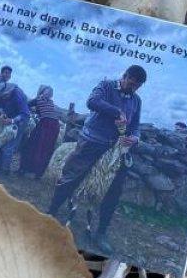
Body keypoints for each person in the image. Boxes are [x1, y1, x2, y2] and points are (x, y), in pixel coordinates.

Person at [48, 65, 147, 255]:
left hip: (115, 151)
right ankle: (50, 213)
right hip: (92, 141)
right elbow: (92, 102)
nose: (133, 89)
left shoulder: (136, 100)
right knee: (71, 177)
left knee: (114, 190)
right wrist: (117, 112)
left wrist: (135, 138)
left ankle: (101, 233)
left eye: (137, 87)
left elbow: (135, 127)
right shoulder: (106, 86)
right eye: (131, 84)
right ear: (124, 76)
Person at [20, 85, 60, 177]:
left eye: (51, 92)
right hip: (45, 123)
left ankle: (36, 172)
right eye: (47, 91)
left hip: (53, 125)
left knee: (45, 148)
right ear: (42, 91)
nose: (49, 93)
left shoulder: (50, 102)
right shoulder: (38, 99)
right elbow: (26, 104)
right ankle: (27, 169)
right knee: (35, 145)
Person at [0, 79, 30, 172]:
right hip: (9, 117)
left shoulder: (18, 95)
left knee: (10, 144)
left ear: (9, 92)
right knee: (1, 140)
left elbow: (25, 114)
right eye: (2, 97)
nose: (4, 98)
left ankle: (4, 169)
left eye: (5, 96)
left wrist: (12, 120)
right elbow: (0, 104)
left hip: (20, 121)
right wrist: (1, 112)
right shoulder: (4, 93)